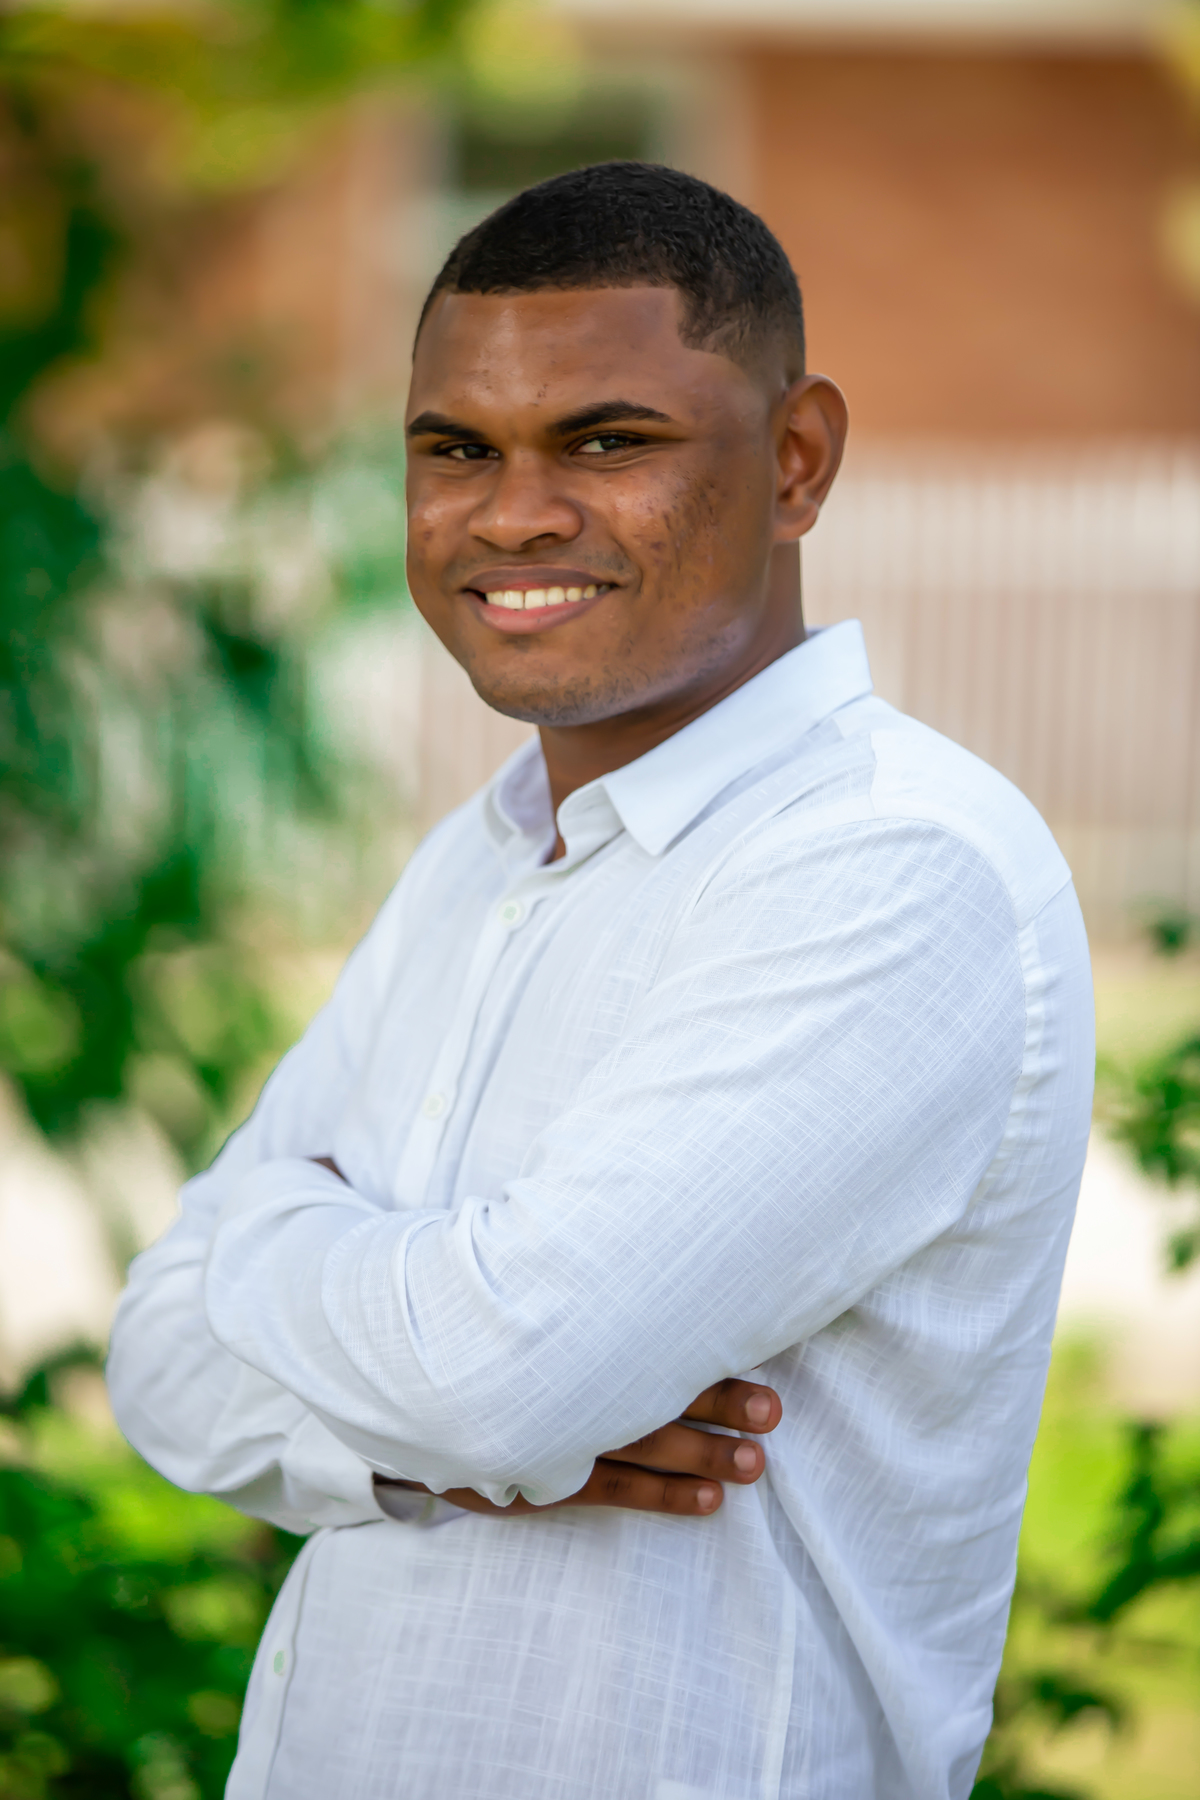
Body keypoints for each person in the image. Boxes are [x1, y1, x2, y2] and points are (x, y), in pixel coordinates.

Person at [107, 162, 1094, 1800]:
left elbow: (504, 1376)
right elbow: (156, 1360)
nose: (512, 514)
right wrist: (430, 1441)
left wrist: (271, 1239)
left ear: (797, 461)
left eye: (609, 442)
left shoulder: (894, 864)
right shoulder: (485, 856)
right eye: (455, 450)